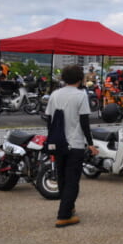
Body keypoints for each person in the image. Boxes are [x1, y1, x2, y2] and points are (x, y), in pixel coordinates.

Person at [44, 65, 98, 228]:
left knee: (61, 177)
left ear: (64, 78)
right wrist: (91, 144)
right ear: (80, 79)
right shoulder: (81, 95)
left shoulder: (54, 94)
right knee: (72, 180)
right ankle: (64, 215)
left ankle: (69, 206)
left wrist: (53, 137)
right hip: (75, 144)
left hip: (58, 143)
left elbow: (49, 119)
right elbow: (84, 122)